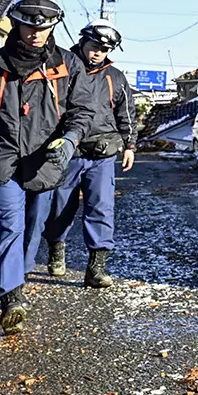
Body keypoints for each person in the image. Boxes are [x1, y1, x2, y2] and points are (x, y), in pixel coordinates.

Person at [0, 0, 96, 335]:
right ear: (15, 23)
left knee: (33, 227)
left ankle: (20, 277)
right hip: (2, 160)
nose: (35, 33)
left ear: (52, 27)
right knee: (10, 227)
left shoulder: (66, 65)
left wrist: (70, 139)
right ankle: (11, 297)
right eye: (27, 25)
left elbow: (82, 110)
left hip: (45, 163)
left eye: (43, 27)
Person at [26, 19, 136, 288]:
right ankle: (56, 248)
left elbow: (127, 113)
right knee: (60, 207)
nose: (98, 52)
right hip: (66, 153)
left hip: (103, 153)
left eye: (105, 49)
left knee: (101, 207)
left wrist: (130, 145)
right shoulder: (61, 67)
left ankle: (96, 268)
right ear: (83, 41)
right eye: (94, 46)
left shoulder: (116, 77)